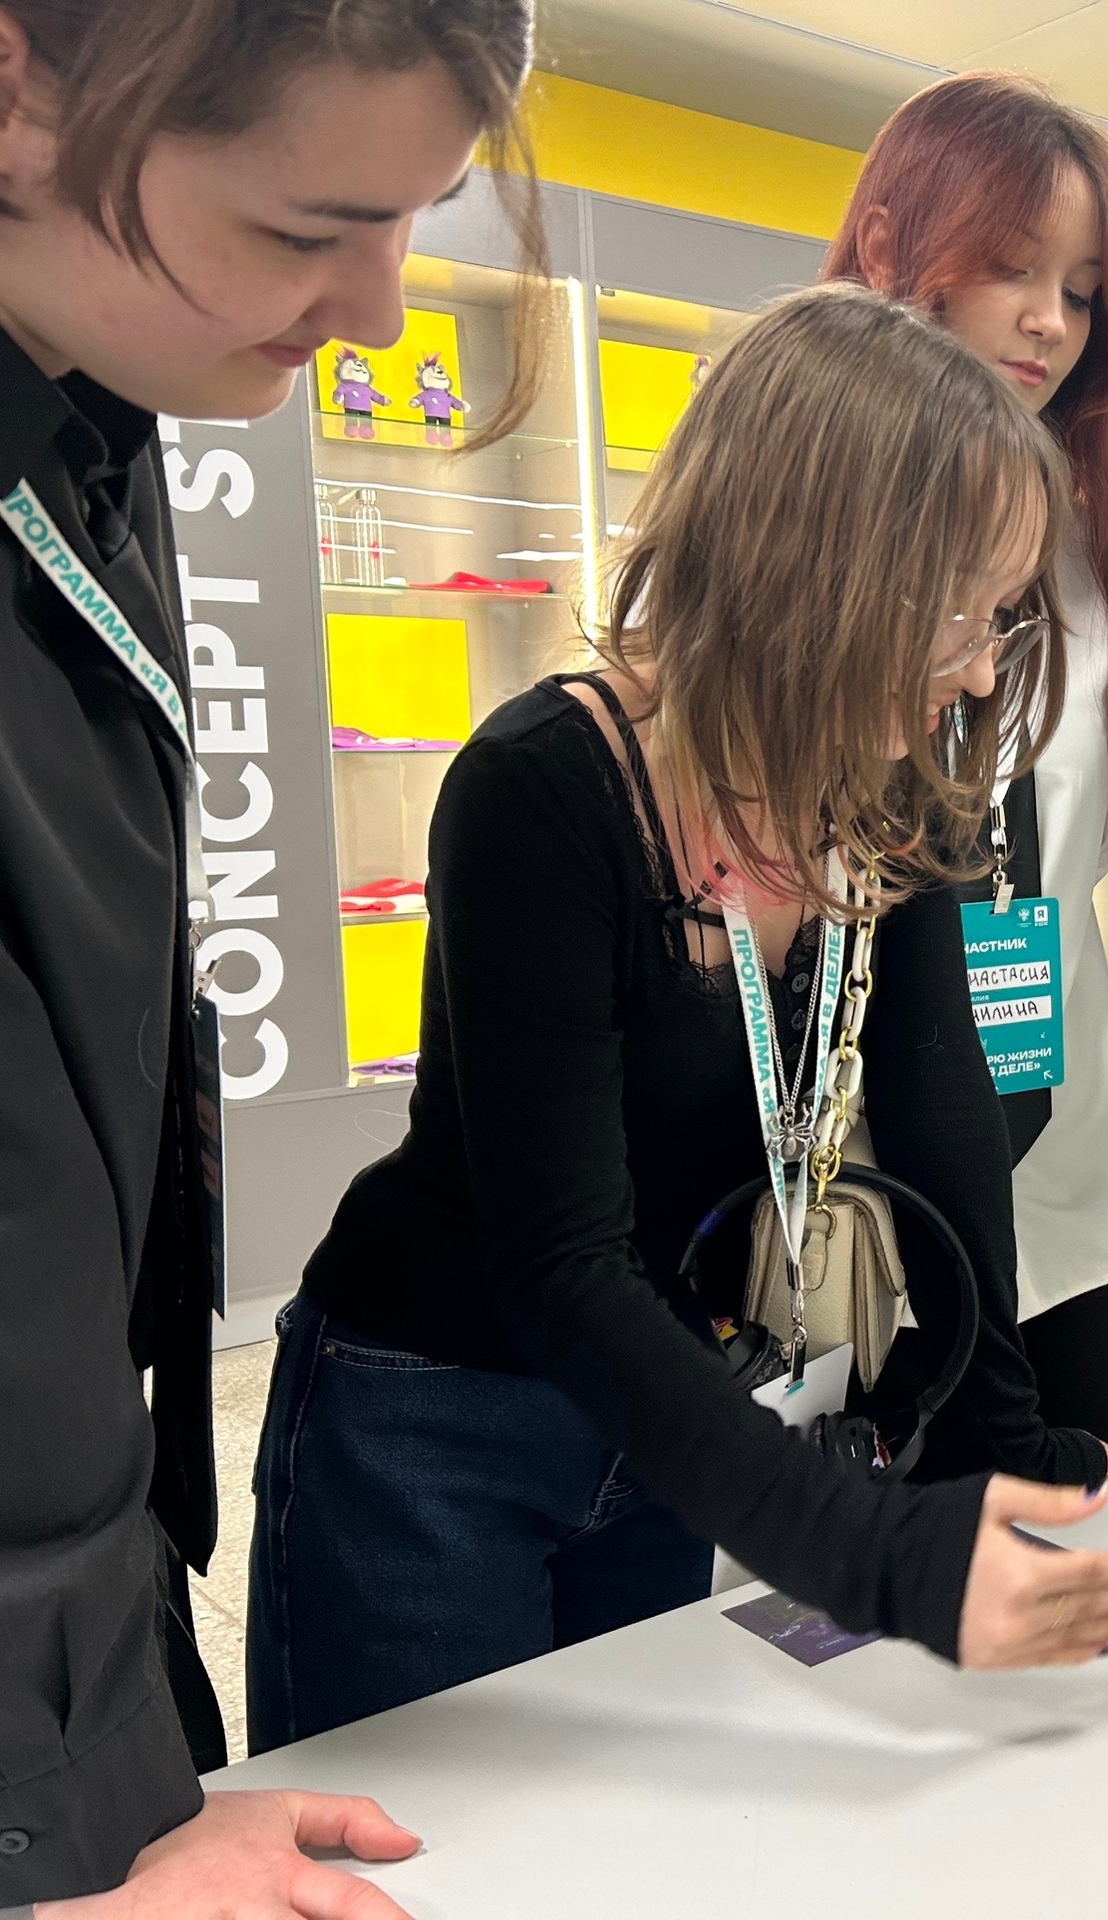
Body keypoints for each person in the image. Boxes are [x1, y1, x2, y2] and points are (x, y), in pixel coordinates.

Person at [245, 284, 1108, 1757]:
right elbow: (561, 1264)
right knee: (428, 1839)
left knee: (637, 1825)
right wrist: (876, 1552)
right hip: (440, 1421)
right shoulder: (543, 789)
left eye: (998, 618)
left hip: (677, 1413)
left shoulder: (886, 787)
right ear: (815, 572)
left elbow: (942, 1126)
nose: (982, 669)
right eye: (954, 615)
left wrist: (996, 1447)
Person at [0, 0, 544, 1909]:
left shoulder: (95, 416)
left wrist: (114, 1773)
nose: (380, 313)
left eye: (411, 223)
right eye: (309, 230)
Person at [826, 73, 1108, 1444]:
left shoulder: (1093, 553)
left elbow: (1072, 850)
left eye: (1082, 292)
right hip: (855, 1186)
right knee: (888, 1553)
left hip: (1070, 1162)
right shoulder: (805, 530)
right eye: (1013, 270)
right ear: (885, 248)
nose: (1050, 322)